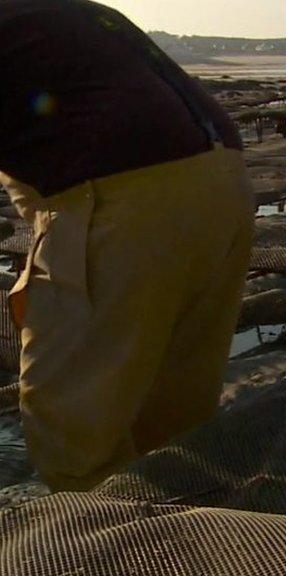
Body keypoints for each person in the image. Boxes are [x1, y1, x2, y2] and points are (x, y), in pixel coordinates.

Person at [0, 0, 253, 491]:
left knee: (72, 418)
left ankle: (111, 544)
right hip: (222, 186)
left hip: (131, 199)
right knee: (170, 406)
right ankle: (185, 527)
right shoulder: (61, 14)